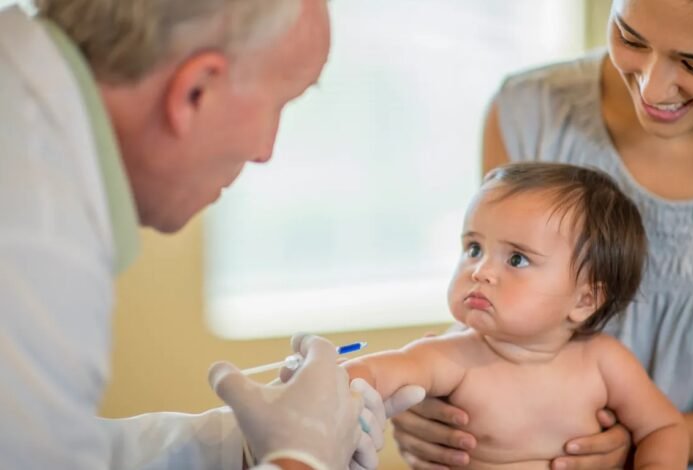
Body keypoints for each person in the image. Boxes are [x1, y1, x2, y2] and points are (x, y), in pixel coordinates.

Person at [0, 1, 423, 469]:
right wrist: (303, 458)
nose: (266, 151)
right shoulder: (31, 230)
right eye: (279, 103)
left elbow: (55, 452)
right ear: (196, 90)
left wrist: (246, 445)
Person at [391, 0, 693, 468]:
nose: (653, 90)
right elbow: (500, 311)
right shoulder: (529, 112)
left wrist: (648, 437)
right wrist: (434, 403)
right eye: (630, 38)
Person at [344, 162, 689, 469]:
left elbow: (663, 428)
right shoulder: (454, 356)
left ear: (585, 300)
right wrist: (332, 378)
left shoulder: (604, 362)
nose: (480, 271)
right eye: (474, 248)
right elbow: (383, 370)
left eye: (516, 259)